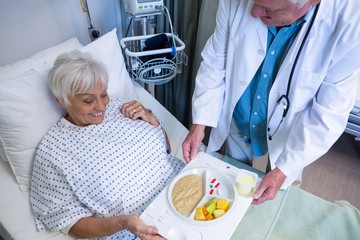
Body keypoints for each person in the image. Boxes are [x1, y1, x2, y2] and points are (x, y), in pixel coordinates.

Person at [182, 0, 360, 205]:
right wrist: (199, 124)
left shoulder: (350, 25)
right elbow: (215, 62)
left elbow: (329, 112)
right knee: (231, 186)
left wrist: (284, 170)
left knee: (279, 197)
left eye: (268, 8)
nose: (254, 12)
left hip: (292, 134)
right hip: (239, 115)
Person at [30, 50, 185, 240]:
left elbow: (165, 151)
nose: (101, 107)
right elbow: (68, 221)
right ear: (62, 100)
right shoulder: (53, 152)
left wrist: (153, 120)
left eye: (103, 95)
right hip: (141, 229)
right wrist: (124, 223)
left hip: (184, 188)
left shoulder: (122, 107)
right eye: (88, 100)